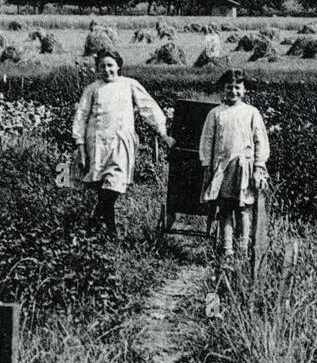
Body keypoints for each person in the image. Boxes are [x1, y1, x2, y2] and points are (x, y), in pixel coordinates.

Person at [71, 50, 174, 234]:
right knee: (104, 186)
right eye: (102, 66)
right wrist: (81, 147)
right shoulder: (93, 89)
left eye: (110, 65)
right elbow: (81, 117)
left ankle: (93, 223)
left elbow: (148, 107)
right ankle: (110, 231)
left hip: (120, 143)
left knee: (114, 185)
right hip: (97, 143)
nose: (106, 69)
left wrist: (162, 132)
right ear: (97, 68)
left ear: (118, 65)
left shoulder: (129, 85)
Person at [199, 69, 271, 268]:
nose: (233, 91)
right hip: (222, 168)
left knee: (244, 208)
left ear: (244, 89)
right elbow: (207, 141)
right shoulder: (216, 114)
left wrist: (259, 166)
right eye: (229, 87)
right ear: (223, 89)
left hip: (244, 168)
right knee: (225, 209)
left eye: (237, 87)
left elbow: (260, 141)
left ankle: (243, 249)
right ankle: (227, 249)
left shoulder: (251, 113)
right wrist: (207, 164)